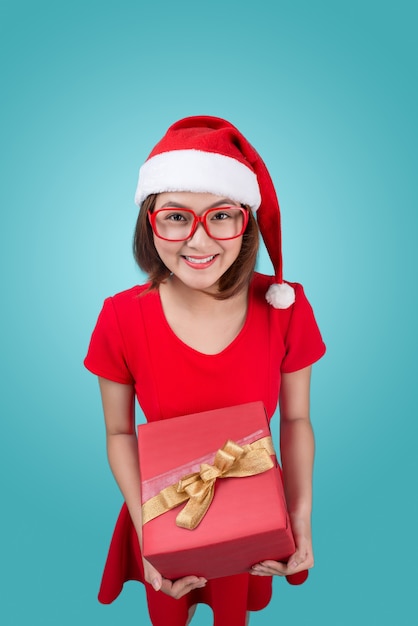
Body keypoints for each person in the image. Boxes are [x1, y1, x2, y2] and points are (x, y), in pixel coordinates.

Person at [84, 115, 326, 626]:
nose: (198, 241)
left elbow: (297, 421)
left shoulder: (286, 306)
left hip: (256, 515)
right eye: (175, 217)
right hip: (162, 512)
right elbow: (119, 431)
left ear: (247, 222)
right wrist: (149, 530)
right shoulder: (120, 317)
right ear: (149, 221)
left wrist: (299, 517)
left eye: (220, 216)